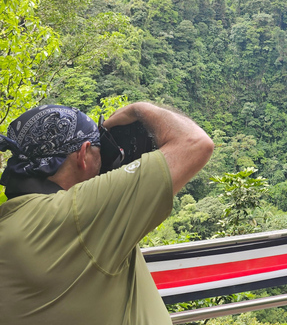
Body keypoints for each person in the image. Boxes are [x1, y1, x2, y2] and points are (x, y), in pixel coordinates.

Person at [0, 102, 214, 324]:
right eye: (100, 151)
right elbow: (195, 143)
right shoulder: (79, 214)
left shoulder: (10, 221)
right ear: (83, 154)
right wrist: (138, 109)